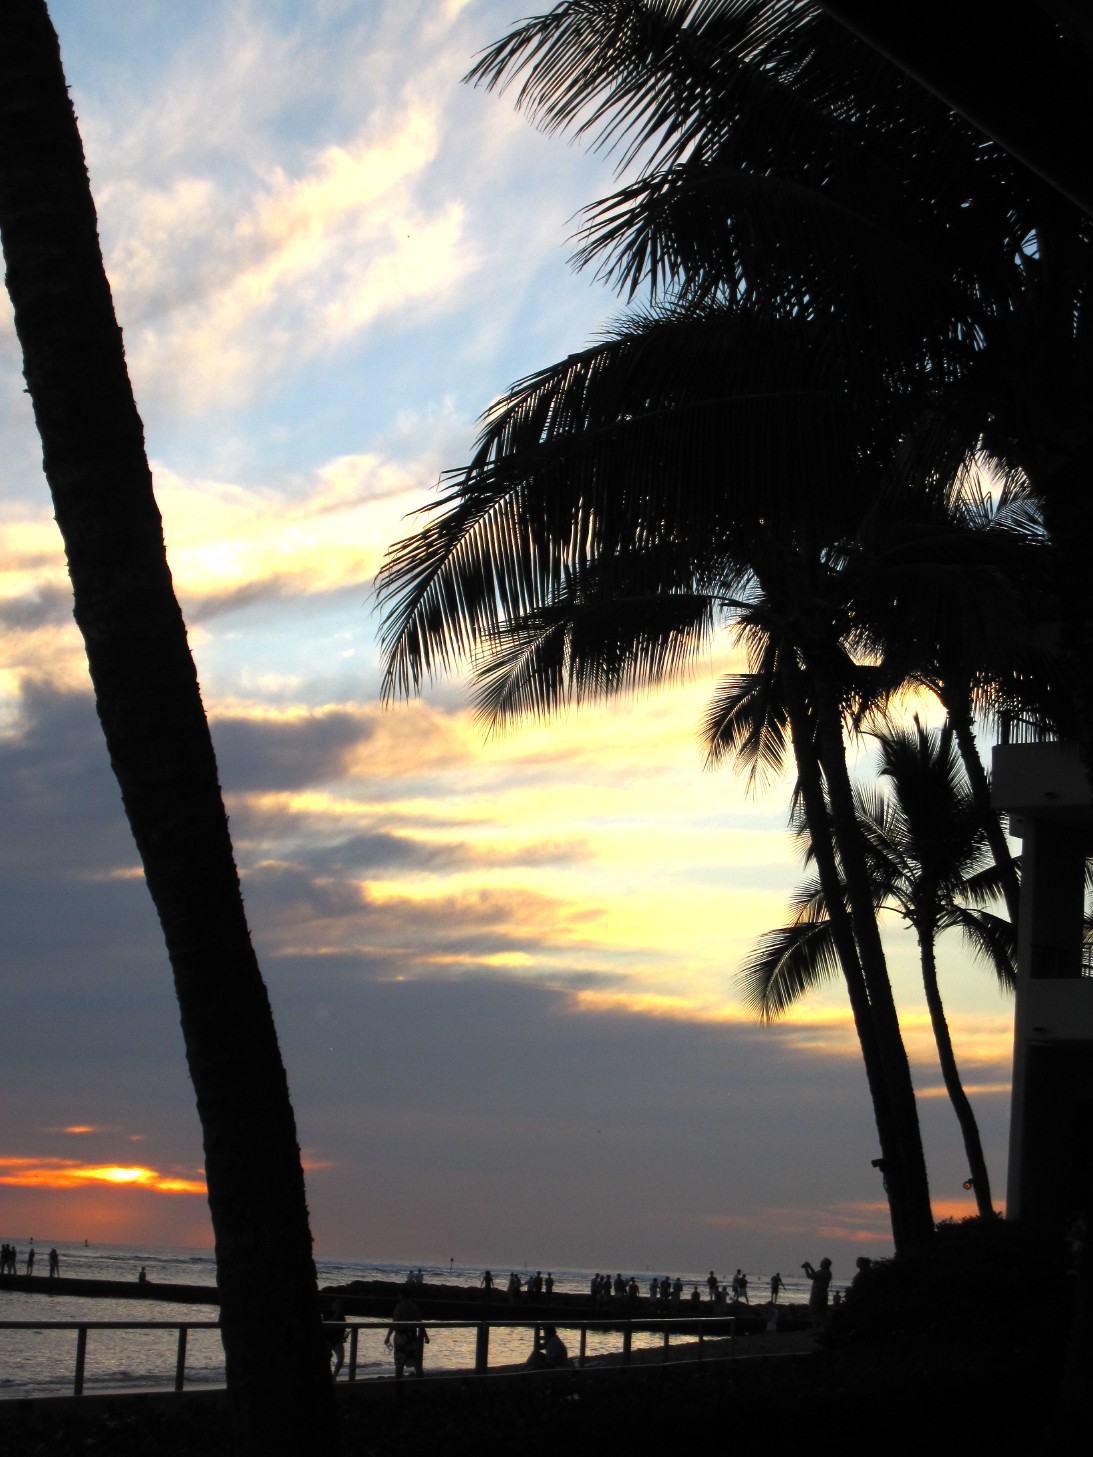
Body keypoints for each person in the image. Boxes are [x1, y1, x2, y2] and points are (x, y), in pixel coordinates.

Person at [385, 1293, 429, 1379]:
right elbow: (420, 1323)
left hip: (401, 1337)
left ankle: (398, 1381)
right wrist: (425, 1336)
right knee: (416, 1362)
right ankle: (421, 1380)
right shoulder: (413, 1307)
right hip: (411, 1337)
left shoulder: (399, 1307)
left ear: (401, 1296)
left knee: (399, 1362)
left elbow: (394, 1323)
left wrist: (388, 1337)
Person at [802, 1258, 833, 1330]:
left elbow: (810, 1276)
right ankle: (823, 1329)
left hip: (817, 1294)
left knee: (815, 1313)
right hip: (823, 1294)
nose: (820, 1263)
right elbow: (815, 1275)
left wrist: (806, 1268)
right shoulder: (827, 1272)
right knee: (822, 1313)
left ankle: (815, 1329)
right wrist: (809, 1266)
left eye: (822, 1262)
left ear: (825, 1264)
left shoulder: (822, 1272)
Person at [325, 1300, 347, 1380]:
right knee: (327, 1357)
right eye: (336, 1304)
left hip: (337, 1339)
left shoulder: (341, 1315)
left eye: (339, 1305)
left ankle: (334, 1376)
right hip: (328, 1338)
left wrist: (342, 1335)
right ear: (332, 1305)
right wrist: (337, 1312)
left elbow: (344, 1326)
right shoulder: (327, 1312)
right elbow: (330, 1321)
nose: (338, 1306)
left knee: (341, 1357)